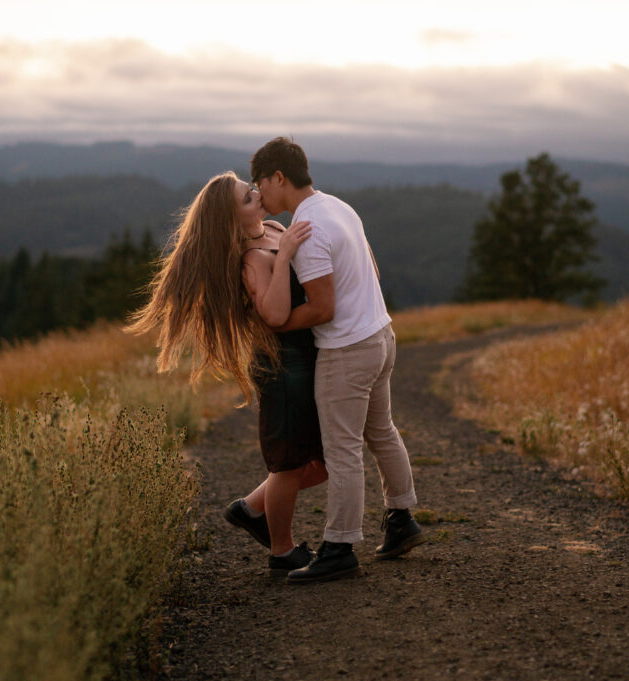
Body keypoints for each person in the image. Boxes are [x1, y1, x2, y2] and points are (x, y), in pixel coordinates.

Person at [127, 170, 328, 578]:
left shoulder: (272, 227)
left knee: (321, 461)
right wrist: (286, 254)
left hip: (307, 357)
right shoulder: (252, 260)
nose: (257, 194)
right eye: (247, 197)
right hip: (282, 365)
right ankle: (281, 550)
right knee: (289, 462)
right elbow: (273, 315)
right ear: (232, 219)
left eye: (252, 189)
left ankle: (251, 508)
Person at [250, 137, 426, 584]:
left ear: (279, 177)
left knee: (342, 450)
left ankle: (340, 547)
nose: (260, 196)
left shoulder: (306, 230)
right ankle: (402, 518)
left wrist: (275, 325)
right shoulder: (338, 206)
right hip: (380, 334)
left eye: (261, 185)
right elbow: (373, 271)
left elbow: (322, 309)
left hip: (346, 350)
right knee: (381, 431)